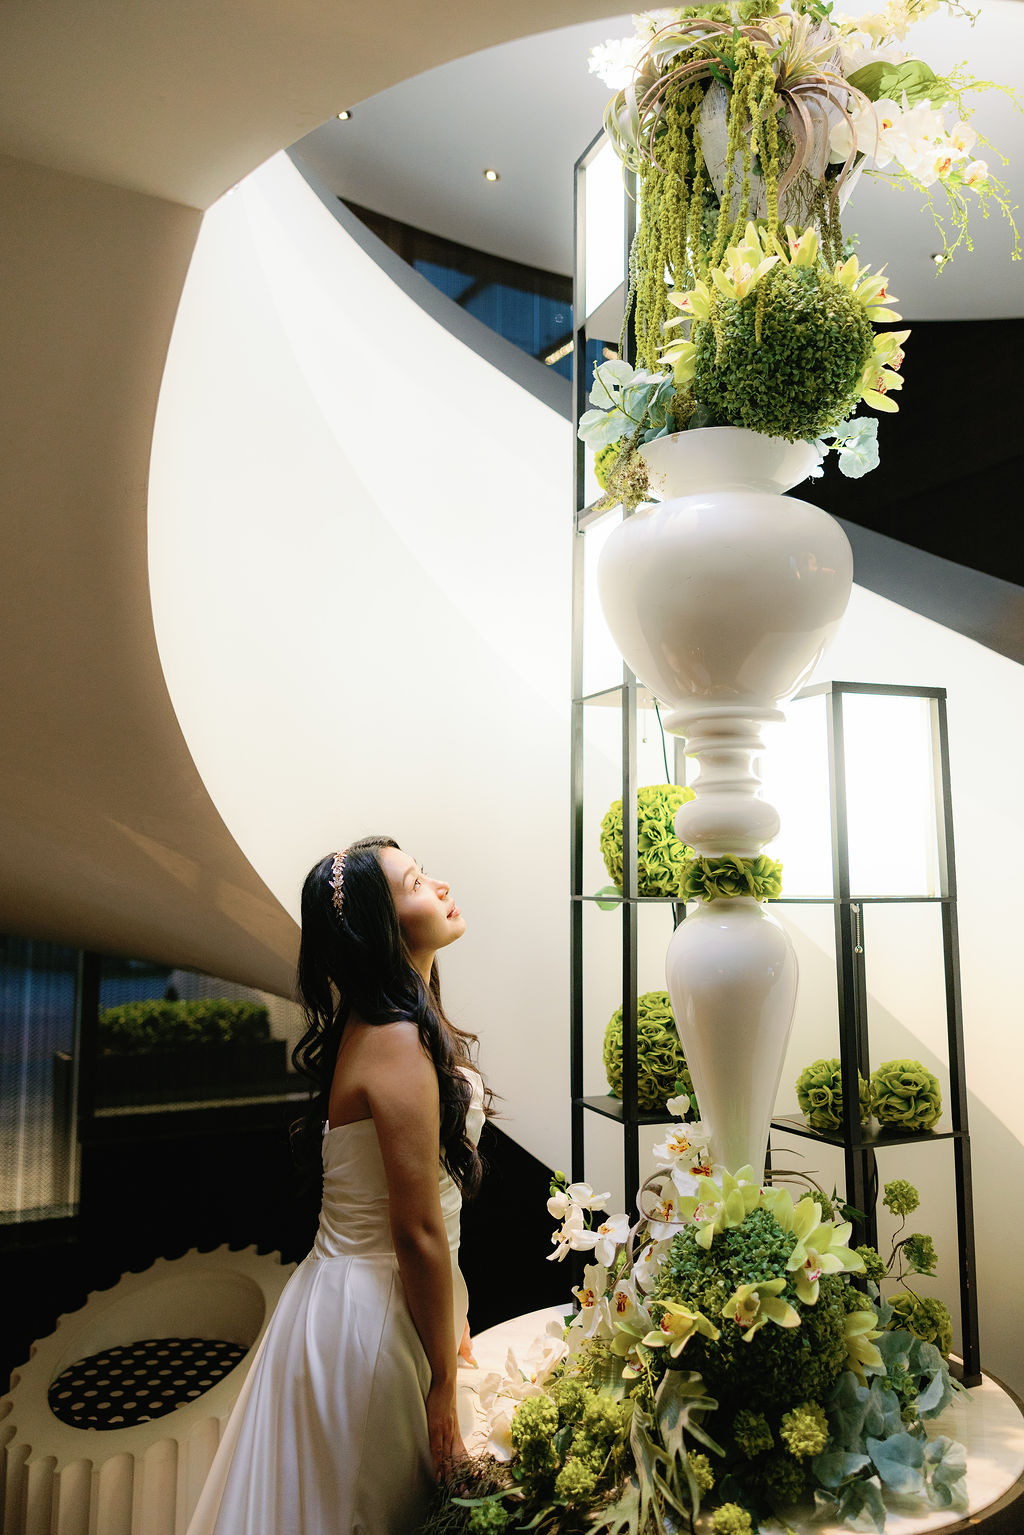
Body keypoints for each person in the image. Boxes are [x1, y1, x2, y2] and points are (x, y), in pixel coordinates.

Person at [185, 835, 491, 1535]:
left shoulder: (385, 1018)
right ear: (383, 926)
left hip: (354, 1297)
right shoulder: (394, 1037)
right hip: (371, 1314)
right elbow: (415, 1230)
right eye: (417, 881)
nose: (440, 885)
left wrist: (447, 1324)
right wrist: (441, 1384)